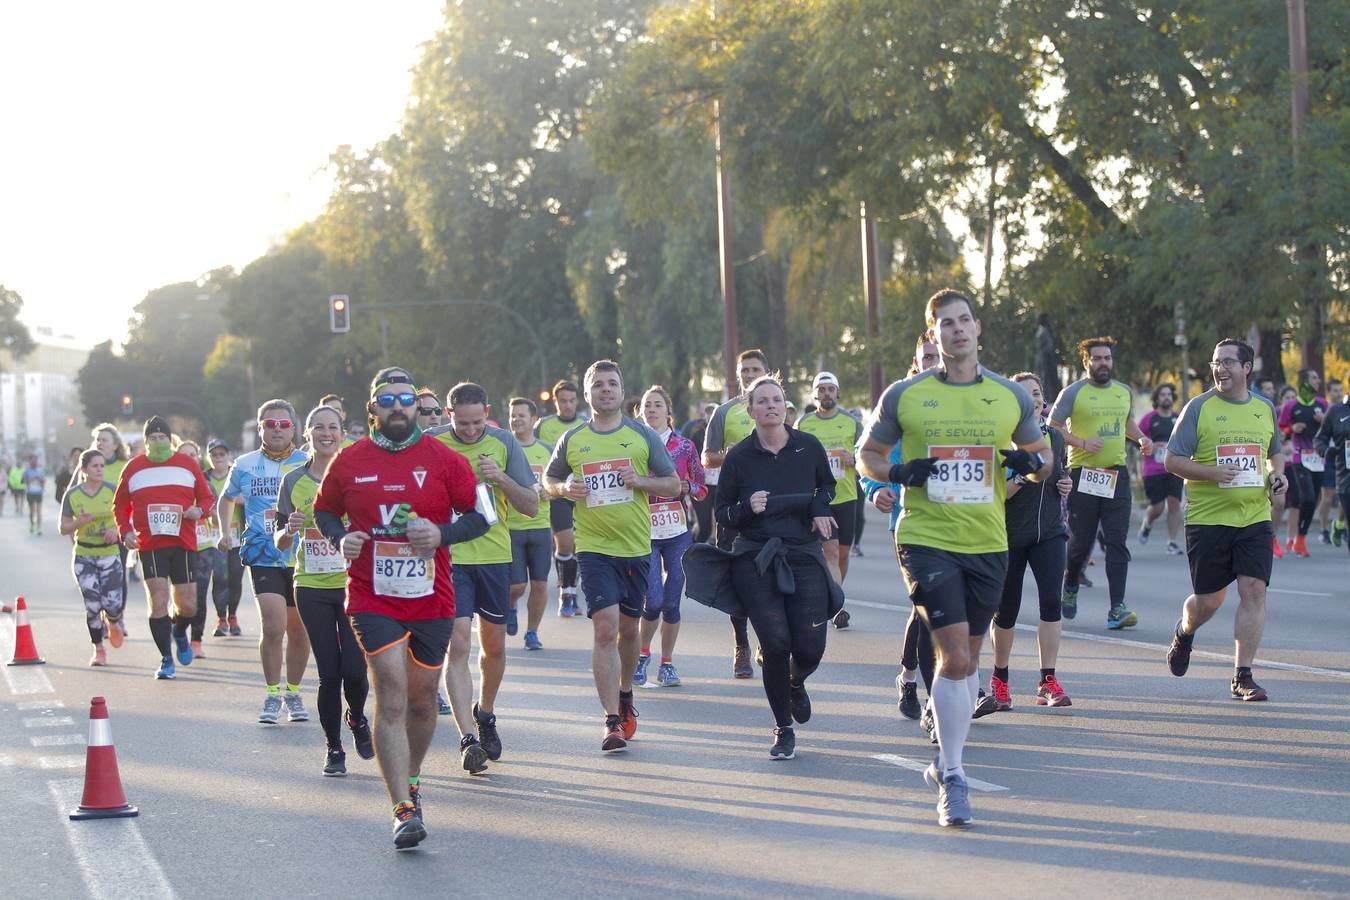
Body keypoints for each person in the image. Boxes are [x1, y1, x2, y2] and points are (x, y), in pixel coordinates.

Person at [858, 289, 1051, 828]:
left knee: (967, 662)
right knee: (957, 660)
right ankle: (956, 776)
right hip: (925, 537)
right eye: (946, 323)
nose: (957, 330)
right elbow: (867, 455)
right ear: (933, 334)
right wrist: (897, 474)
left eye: (964, 320)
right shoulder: (906, 394)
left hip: (988, 541)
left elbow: (1045, 460)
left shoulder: (1009, 395)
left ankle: (945, 761)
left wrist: (1027, 463)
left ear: (978, 327)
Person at [312, 372, 485, 849]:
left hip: (432, 597)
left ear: (415, 407)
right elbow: (325, 511)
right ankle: (402, 809)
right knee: (390, 695)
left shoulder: (443, 459)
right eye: (386, 400)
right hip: (372, 595)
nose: (397, 407)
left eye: (405, 400)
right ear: (373, 409)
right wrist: (337, 537)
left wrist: (442, 535)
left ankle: (411, 781)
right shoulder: (349, 461)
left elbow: (478, 516)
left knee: (422, 701)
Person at [686, 375, 840, 760]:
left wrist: (820, 510)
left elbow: (827, 487)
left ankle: (795, 680)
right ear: (751, 409)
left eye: (776, 400)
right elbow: (723, 514)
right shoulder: (739, 456)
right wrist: (745, 508)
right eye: (762, 401)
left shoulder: (808, 446)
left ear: (785, 407)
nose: (770, 406)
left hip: (803, 554)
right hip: (755, 558)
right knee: (774, 644)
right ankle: (783, 728)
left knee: (809, 647)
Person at [543, 360, 679, 753]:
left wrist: (641, 481)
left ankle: (624, 693)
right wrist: (564, 486)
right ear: (588, 394)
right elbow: (547, 481)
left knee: (629, 632)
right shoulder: (572, 439)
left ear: (622, 392)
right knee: (605, 627)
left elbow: (673, 483)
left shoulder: (641, 436)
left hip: (636, 547)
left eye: (612, 384)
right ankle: (610, 722)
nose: (606, 389)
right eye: (598, 384)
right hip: (593, 548)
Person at [1165, 339, 1286, 701]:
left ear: (1247, 367)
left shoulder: (1264, 408)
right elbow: (1172, 460)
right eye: (1216, 362)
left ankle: (1242, 675)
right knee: (1209, 601)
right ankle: (1185, 632)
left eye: (1228, 362)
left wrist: (1277, 475)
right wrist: (1211, 473)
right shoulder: (1198, 408)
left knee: (1253, 589)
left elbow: (1274, 454)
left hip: (1253, 515)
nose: (1220, 369)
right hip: (1208, 519)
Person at [429, 383, 538, 774]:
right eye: (463, 423)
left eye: (478, 422)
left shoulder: (505, 442)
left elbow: (530, 505)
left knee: (493, 648)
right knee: (457, 643)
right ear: (447, 413)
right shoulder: (431, 443)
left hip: (493, 556)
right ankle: (467, 739)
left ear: (487, 412)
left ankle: (485, 713)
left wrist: (501, 479)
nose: (472, 430)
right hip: (449, 557)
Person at [276, 405, 374, 777]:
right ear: (309, 433)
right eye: (319, 427)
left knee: (355, 669)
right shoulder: (293, 481)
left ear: (342, 432)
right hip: (312, 585)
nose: (326, 433)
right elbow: (281, 541)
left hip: (355, 585)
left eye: (333, 427)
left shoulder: (358, 476)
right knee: (329, 673)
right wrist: (290, 529)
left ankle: (358, 718)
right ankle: (334, 748)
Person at [861, 333, 940, 729]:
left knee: (938, 610)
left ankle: (910, 677)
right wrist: (877, 490)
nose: (933, 361)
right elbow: (869, 456)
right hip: (909, 523)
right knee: (928, 608)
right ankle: (932, 700)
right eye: (927, 356)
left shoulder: (974, 398)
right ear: (917, 360)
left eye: (937, 355)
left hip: (964, 522)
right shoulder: (902, 400)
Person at [217, 400, 312, 724]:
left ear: (294, 428)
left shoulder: (308, 462)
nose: (277, 429)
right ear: (260, 427)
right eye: (270, 424)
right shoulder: (244, 464)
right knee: (274, 626)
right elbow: (226, 498)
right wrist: (225, 532)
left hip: (303, 556)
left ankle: (294, 692)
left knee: (299, 631)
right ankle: (272, 694)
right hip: (263, 553)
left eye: (284, 425)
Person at [1048, 336, 1152, 629]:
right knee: (1082, 541)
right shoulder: (1073, 393)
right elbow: (1052, 428)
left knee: (1117, 540)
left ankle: (1116, 608)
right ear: (1086, 362)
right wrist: (1081, 441)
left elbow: (1126, 422)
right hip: (1083, 473)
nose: (1103, 363)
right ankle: (1071, 582)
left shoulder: (1123, 392)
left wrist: (1141, 437)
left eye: (1107, 358)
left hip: (1115, 474)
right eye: (1097, 358)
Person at [989, 373, 1075, 709]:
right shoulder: (1002, 441)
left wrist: (1064, 483)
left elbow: (1060, 474)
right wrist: (1025, 476)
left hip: (1050, 533)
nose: (1034, 400)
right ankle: (1000, 680)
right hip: (1009, 536)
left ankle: (1047, 680)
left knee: (1052, 603)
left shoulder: (1054, 437)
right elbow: (997, 494)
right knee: (1006, 611)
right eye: (1025, 395)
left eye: (1037, 394)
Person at [113, 416, 215, 679]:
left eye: (162, 438)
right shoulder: (133, 468)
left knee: (189, 605)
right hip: (150, 544)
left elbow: (206, 497)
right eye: (153, 439)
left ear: (170, 440)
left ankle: (179, 632)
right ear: (146, 442)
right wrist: (126, 532)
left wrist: (199, 510)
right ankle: (166, 659)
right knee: (158, 601)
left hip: (183, 542)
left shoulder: (187, 464)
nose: (158, 442)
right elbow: (120, 505)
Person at [634, 385, 706, 689]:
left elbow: (702, 488)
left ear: (668, 412)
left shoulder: (685, 447)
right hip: (644, 532)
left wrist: (689, 487)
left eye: (657, 405)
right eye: (647, 405)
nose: (651, 409)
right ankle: (641, 655)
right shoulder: (632, 444)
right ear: (640, 412)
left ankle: (667, 664)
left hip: (677, 532)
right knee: (653, 601)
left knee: (673, 604)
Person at [703, 349, 769, 677]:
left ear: (768, 373)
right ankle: (741, 643)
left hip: (773, 505)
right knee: (739, 577)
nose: (749, 374)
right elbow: (707, 458)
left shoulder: (779, 409)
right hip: (734, 506)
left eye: (755, 369)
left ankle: (769, 640)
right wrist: (732, 455)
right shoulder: (725, 413)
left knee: (771, 575)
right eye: (744, 370)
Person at [795, 371, 864, 628]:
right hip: (818, 498)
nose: (826, 394)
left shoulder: (851, 423)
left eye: (830, 389)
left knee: (843, 554)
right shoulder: (804, 424)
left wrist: (854, 460)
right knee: (830, 552)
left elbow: (867, 457)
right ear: (815, 394)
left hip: (846, 496)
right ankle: (837, 606)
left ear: (837, 393)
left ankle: (833, 596)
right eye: (821, 389)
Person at [59, 449, 126, 667]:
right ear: (84, 469)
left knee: (112, 603)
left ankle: (114, 620)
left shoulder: (111, 491)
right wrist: (79, 523)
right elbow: (63, 527)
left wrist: (116, 530)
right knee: (92, 605)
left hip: (109, 555)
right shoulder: (73, 495)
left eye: (102, 466)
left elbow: (126, 518)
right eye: (95, 466)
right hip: (84, 555)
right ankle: (98, 649)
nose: (100, 470)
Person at [536, 379, 589, 617]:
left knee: (577, 544)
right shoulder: (543, 425)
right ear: (555, 401)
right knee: (565, 542)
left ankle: (570, 591)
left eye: (571, 400)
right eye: (563, 401)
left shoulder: (584, 424)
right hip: (556, 491)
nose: (567, 405)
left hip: (580, 492)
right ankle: (564, 593)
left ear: (577, 401)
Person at [506, 397, 552, 651]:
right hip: (511, 527)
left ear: (534, 420)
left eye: (522, 415)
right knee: (516, 586)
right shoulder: (505, 448)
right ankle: (511, 605)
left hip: (540, 526)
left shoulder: (546, 449)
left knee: (540, 584)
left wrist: (550, 491)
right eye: (513, 415)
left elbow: (557, 483)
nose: (516, 420)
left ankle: (532, 632)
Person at [199, 439, 245, 637]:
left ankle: (232, 615)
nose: (218, 458)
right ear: (208, 457)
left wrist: (241, 500)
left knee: (235, 578)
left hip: (237, 535)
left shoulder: (237, 476)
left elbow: (250, 498)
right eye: (214, 455)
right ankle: (221, 619)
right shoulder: (202, 479)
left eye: (221, 454)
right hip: (213, 536)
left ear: (228, 457)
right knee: (220, 578)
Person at [1278, 370, 1327, 557]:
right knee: (1306, 498)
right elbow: (1281, 431)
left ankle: (1300, 539)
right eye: (1315, 378)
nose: (1318, 380)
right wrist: (1292, 428)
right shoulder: (1291, 405)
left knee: (1313, 500)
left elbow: (1330, 429)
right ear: (1305, 381)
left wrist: (1323, 421)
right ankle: (1298, 538)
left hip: (1319, 459)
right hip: (1300, 458)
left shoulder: (1322, 404)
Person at [174, 440, 214, 659]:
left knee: (199, 596)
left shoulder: (205, 481)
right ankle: (177, 624)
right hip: (178, 544)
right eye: (184, 454)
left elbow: (212, 505)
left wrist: (200, 510)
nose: (190, 458)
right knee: (181, 597)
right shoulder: (170, 480)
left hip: (203, 544)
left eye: (193, 454)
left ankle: (196, 641)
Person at [1138, 384, 1184, 554]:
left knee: (1174, 504)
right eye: (1162, 395)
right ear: (1157, 399)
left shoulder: (1178, 418)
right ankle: (1147, 522)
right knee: (1157, 506)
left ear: (1173, 398)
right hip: (1153, 470)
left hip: (1174, 469)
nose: (1166, 397)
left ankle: (1171, 542)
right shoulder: (1148, 419)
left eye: (1169, 395)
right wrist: (1151, 444)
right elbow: (1136, 439)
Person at [1314, 377, 1350, 555]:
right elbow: (1319, 440)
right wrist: (1327, 450)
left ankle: (1339, 524)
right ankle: (1331, 527)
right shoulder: (1336, 411)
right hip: (1346, 477)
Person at [23, 454, 46, 534]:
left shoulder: (40, 470)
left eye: (35, 460)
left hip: (39, 492)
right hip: (30, 492)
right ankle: (32, 524)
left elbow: (44, 481)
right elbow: (24, 481)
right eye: (32, 460)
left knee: (39, 511)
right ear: (29, 461)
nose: (34, 462)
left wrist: (40, 480)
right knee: (32, 510)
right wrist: (32, 479)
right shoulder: (27, 471)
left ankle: (39, 528)